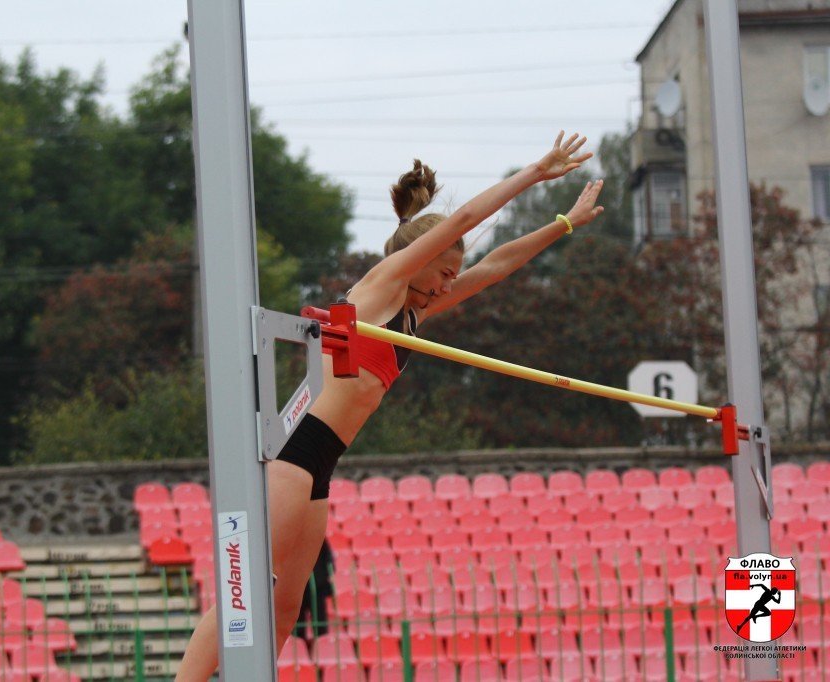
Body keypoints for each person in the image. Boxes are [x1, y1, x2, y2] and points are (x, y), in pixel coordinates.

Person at [175, 131, 605, 680]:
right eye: (444, 271)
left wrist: (564, 224)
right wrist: (535, 173)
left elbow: (495, 267)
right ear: (419, 260)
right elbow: (464, 219)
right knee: (254, 586)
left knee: (287, 606)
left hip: (322, 463)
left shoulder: (414, 316)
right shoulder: (380, 287)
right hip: (295, 449)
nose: (449, 283)